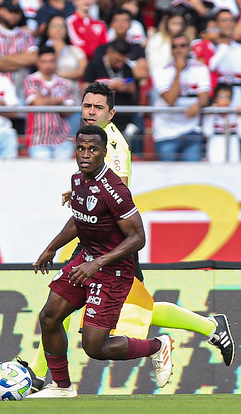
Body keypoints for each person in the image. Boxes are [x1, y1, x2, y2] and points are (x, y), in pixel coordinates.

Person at [27, 125, 170, 398]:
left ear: (104, 152)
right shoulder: (78, 180)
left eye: (93, 149)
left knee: (95, 347)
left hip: (113, 270)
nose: (85, 154)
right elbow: (79, 219)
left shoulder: (114, 189)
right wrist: (51, 248)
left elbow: (138, 238)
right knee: (49, 316)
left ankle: (156, 346)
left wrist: (97, 264)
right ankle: (61, 387)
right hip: (86, 261)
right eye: (81, 148)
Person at [150, 31, 210, 161]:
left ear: (189, 48)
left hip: (191, 131)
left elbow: (204, 97)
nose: (179, 49)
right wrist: (178, 71)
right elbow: (170, 100)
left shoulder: (201, 69)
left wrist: (198, 104)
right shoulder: (161, 71)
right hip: (166, 133)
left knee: (192, 178)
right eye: (175, 46)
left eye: (183, 46)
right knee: (168, 177)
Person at [24, 44, 75, 159]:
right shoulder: (30, 80)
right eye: (44, 61)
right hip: (38, 140)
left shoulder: (63, 83)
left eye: (51, 61)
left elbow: (68, 112)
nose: (48, 65)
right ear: (38, 62)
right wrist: (58, 101)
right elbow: (37, 103)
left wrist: (44, 99)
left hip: (62, 140)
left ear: (56, 61)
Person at [204, 82, 241, 163]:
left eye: (228, 97)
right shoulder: (211, 113)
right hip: (215, 152)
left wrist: (240, 117)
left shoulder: (235, 114)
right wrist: (211, 114)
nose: (225, 100)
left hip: (233, 152)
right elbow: (207, 132)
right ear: (216, 98)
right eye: (222, 96)